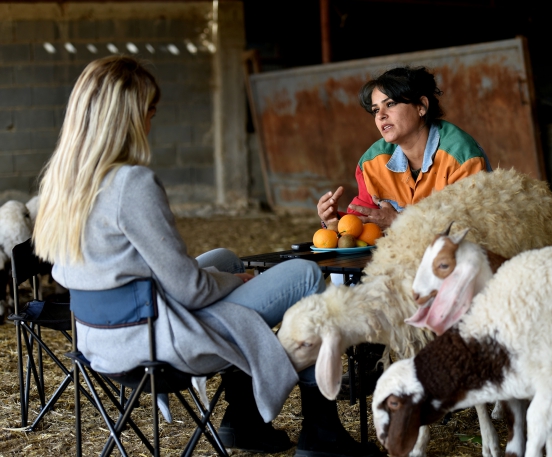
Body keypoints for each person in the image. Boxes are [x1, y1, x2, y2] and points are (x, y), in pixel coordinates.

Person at [33, 56, 379, 457]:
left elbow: (106, 272)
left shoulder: (62, 183)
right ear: (124, 116)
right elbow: (191, 291)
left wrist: (223, 271)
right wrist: (235, 281)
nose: (151, 121)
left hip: (100, 338)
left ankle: (242, 419)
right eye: (149, 110)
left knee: (226, 256)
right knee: (301, 274)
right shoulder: (130, 183)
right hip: (154, 340)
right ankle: (322, 434)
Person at [317, 65, 492, 231]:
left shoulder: (461, 156)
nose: (381, 116)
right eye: (375, 110)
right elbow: (363, 222)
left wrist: (399, 222)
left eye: (390, 104)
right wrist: (334, 222)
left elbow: (472, 226)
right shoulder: (372, 162)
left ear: (421, 106)